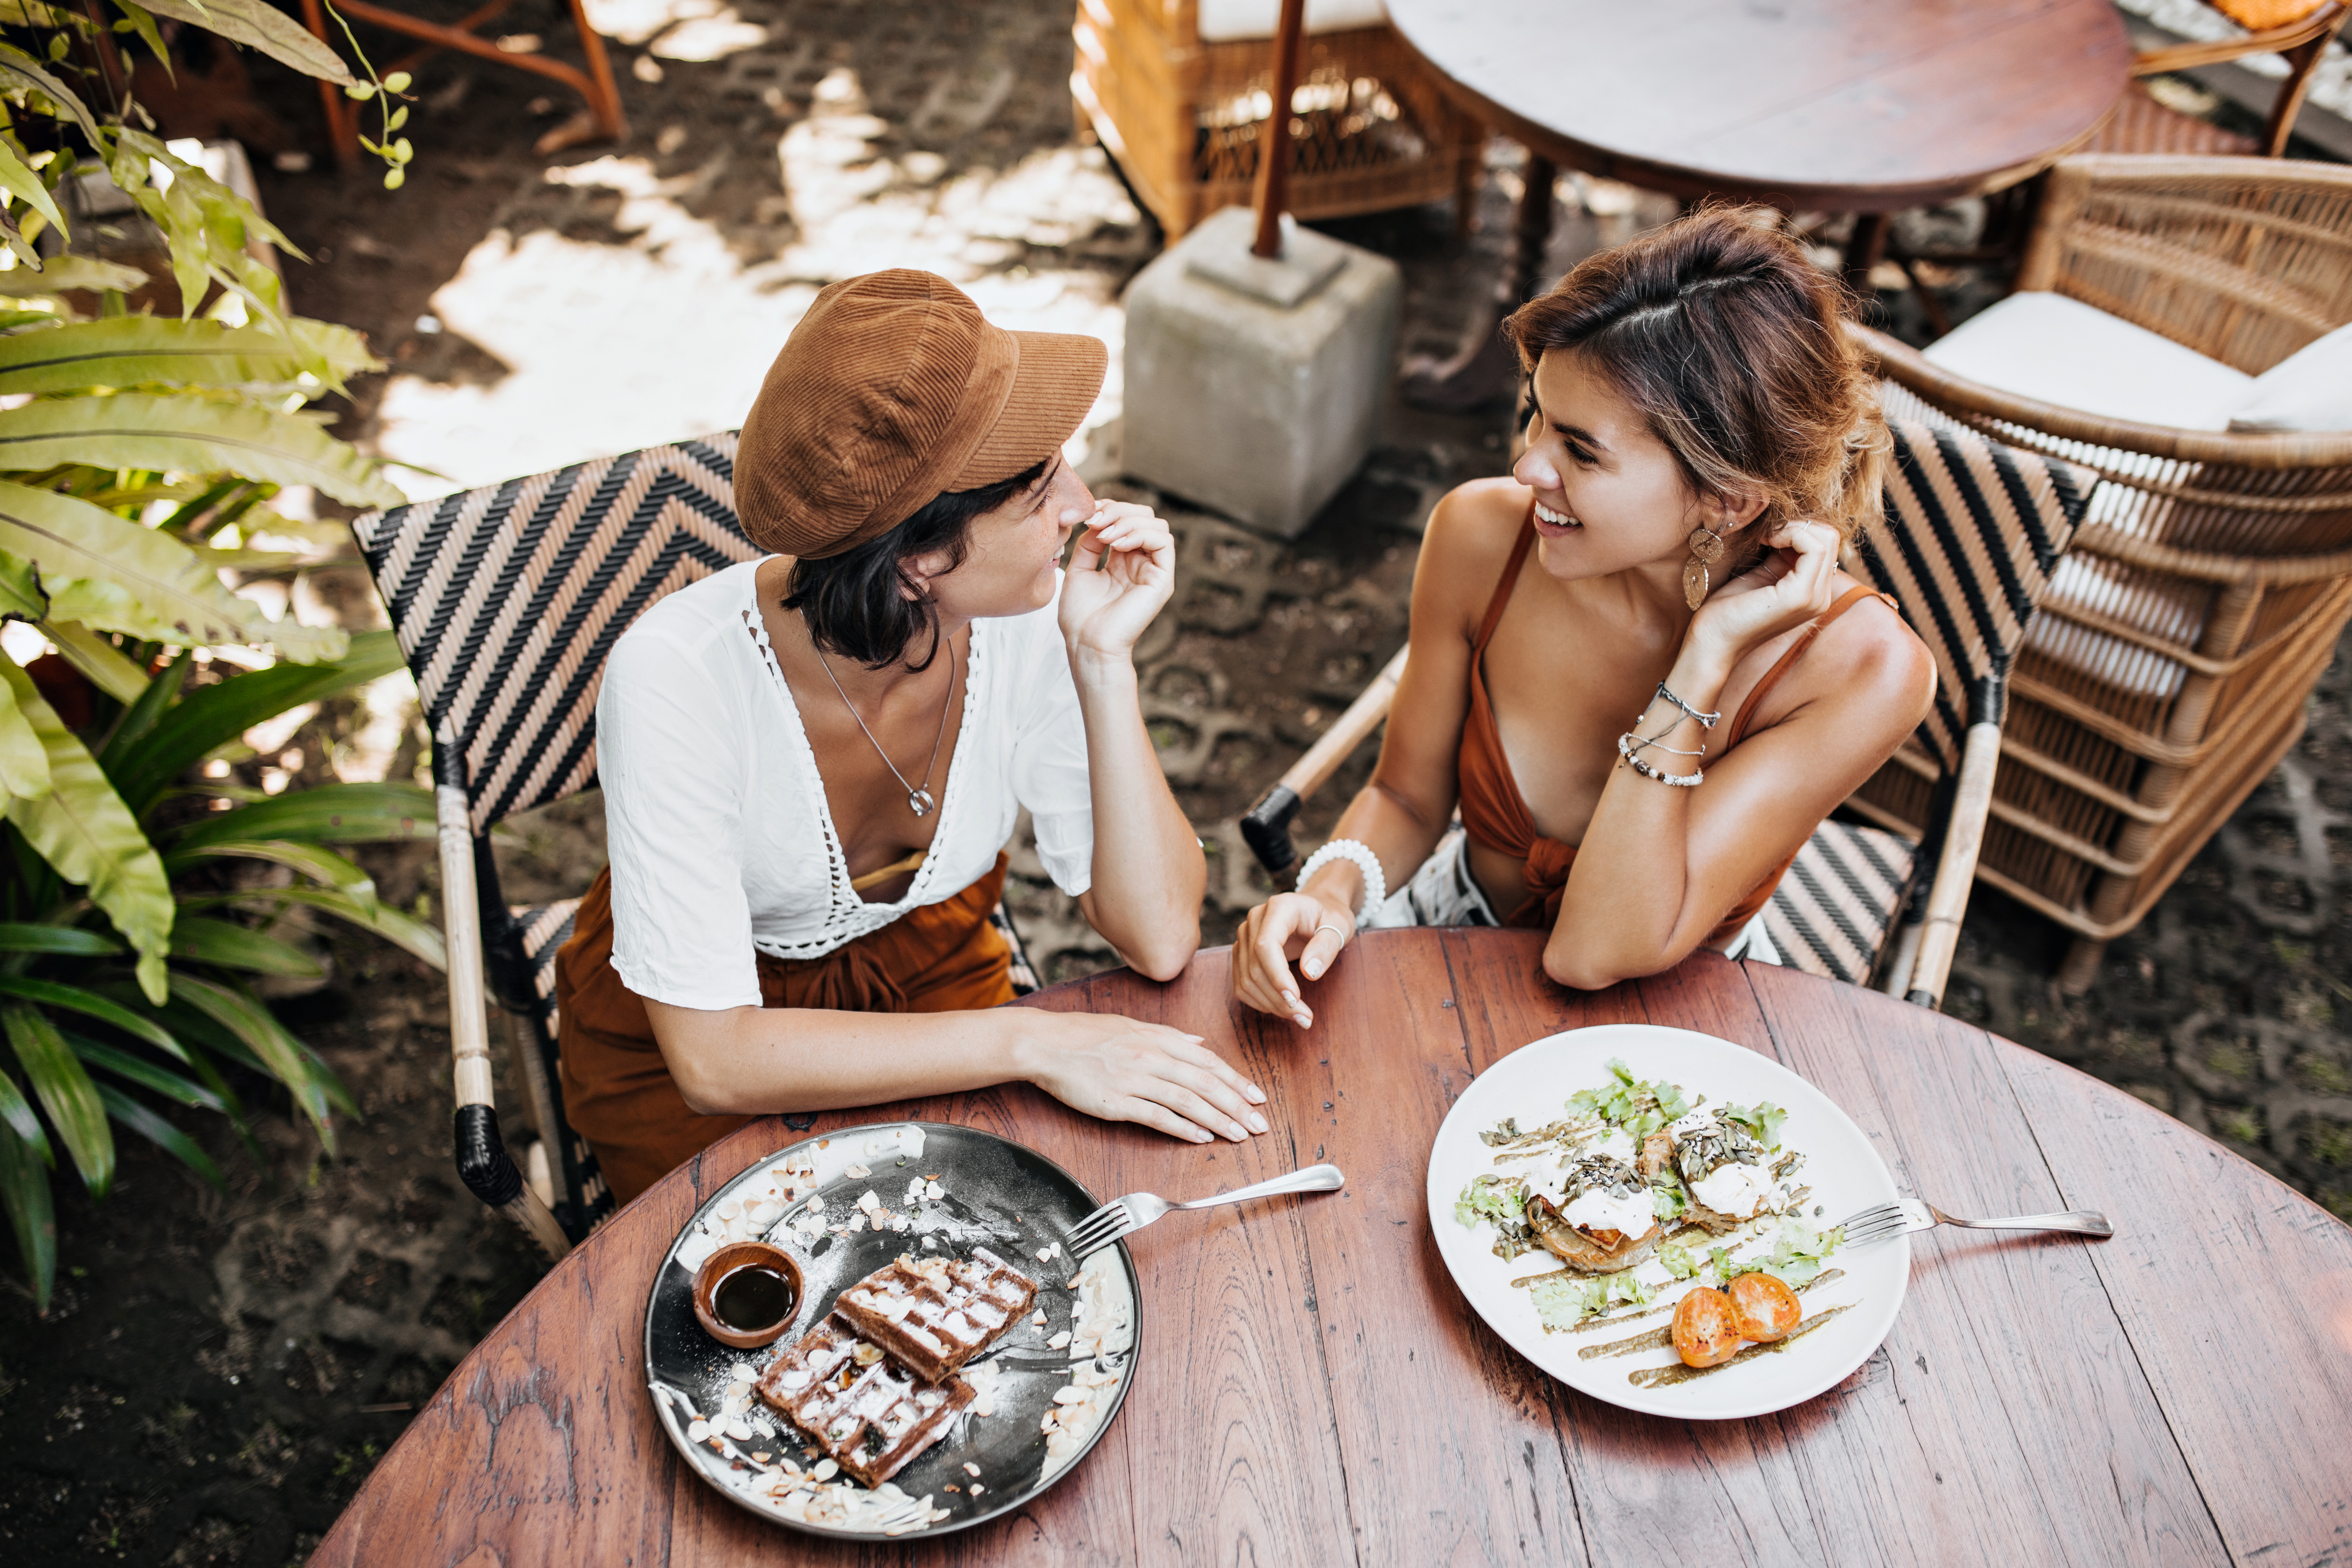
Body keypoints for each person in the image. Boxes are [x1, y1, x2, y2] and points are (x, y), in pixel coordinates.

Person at [557, 270, 1265, 1206]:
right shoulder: (676, 678)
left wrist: (1102, 662)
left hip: (935, 983)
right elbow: (716, 1059)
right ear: (919, 561)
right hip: (708, 1045)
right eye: (1039, 485)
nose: (1085, 506)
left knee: (1007, 1256)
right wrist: (1034, 1040)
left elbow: (1164, 937)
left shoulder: (1024, 616)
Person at [1232, 207, 1936, 1025]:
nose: (1527, 465)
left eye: (1582, 449)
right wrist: (1332, 890)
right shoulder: (1480, 537)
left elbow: (1593, 950)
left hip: (1668, 1025)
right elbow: (1407, 797)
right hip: (1443, 939)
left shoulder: (1864, 672)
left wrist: (1699, 663)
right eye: (1534, 413)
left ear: (1727, 498)